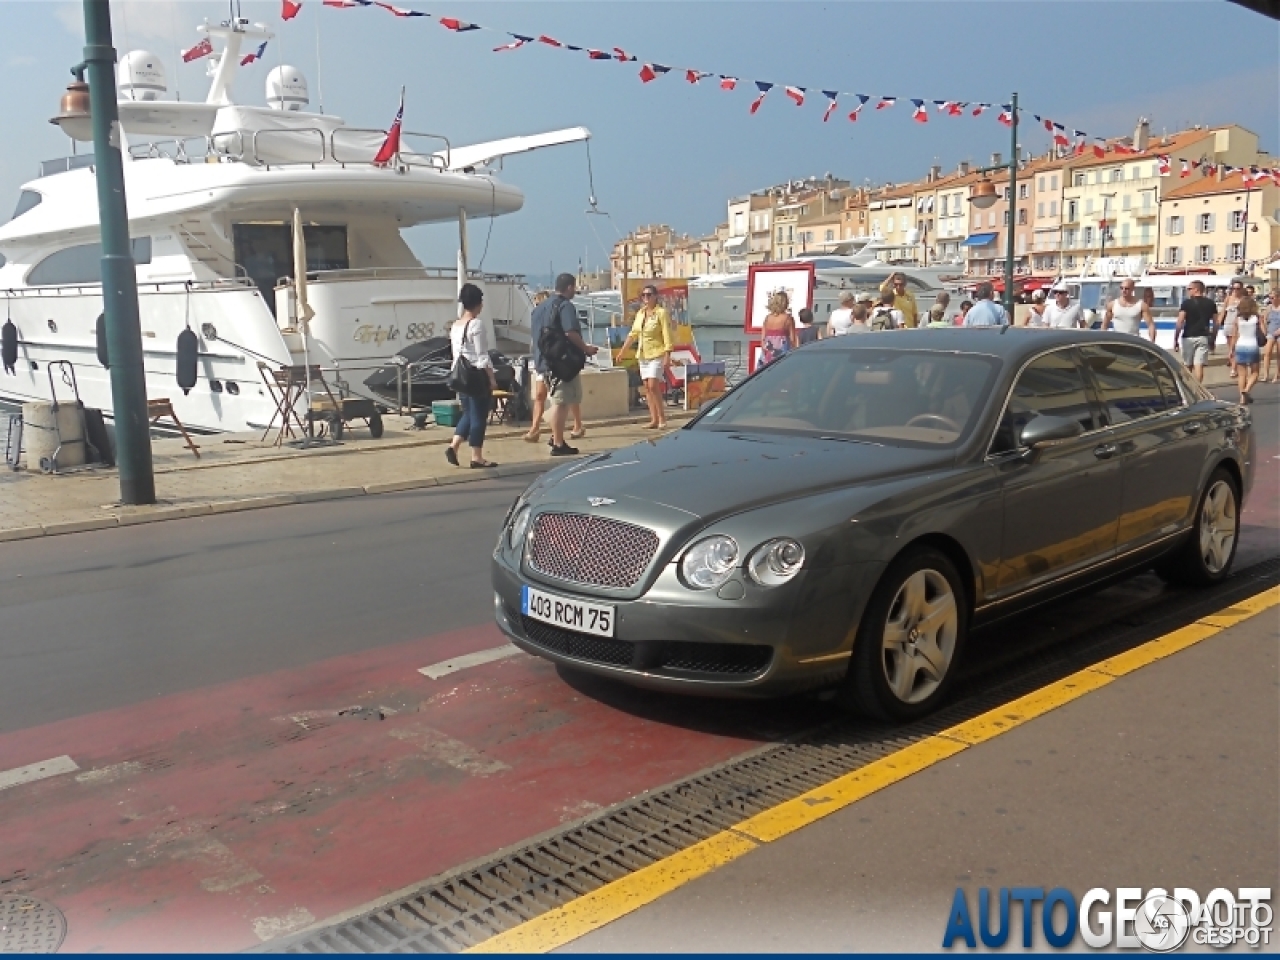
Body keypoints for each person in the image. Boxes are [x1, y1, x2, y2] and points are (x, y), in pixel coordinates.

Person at [530, 272, 598, 456]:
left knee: (559, 401)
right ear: (569, 287)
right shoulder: (565, 306)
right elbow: (570, 332)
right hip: (560, 363)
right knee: (561, 403)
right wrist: (586, 348)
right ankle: (558, 443)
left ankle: (554, 435)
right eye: (574, 287)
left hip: (542, 362)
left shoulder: (538, 309)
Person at [445, 283, 499, 469]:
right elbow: (482, 356)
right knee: (479, 416)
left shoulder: (455, 325)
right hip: (475, 375)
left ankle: (454, 446)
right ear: (477, 303)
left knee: (468, 413)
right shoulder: (476, 324)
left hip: (460, 375)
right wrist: (491, 378)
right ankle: (477, 456)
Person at [617, 284, 673, 430]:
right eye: (644, 295)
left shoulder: (661, 313)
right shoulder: (640, 313)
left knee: (654, 385)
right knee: (647, 388)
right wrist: (623, 351)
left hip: (657, 353)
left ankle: (662, 418)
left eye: (649, 295)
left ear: (655, 296)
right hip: (643, 354)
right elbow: (633, 333)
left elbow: (667, 334)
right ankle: (653, 419)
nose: (646, 298)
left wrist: (668, 354)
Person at [1174, 279, 1220, 383]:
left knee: (1188, 365)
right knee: (1199, 365)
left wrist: (1175, 339)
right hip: (1203, 336)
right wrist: (1213, 339)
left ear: (1196, 289)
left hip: (1188, 336)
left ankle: (1190, 388)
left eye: (1189, 289)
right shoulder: (1210, 303)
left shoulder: (1186, 303)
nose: (1188, 291)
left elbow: (1180, 322)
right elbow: (1216, 323)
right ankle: (1198, 389)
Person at [523, 290, 551, 443]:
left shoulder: (548, 317)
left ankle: (576, 424)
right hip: (541, 362)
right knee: (540, 396)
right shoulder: (536, 317)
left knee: (560, 400)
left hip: (550, 362)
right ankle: (534, 429)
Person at [1229, 296, 1261, 404]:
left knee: (1242, 374)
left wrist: (1231, 350)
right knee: (1255, 372)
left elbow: (1234, 336)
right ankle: (1246, 391)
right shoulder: (1257, 317)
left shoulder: (1237, 318)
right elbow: (1264, 332)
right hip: (1253, 345)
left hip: (1240, 345)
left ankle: (1242, 398)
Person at [760, 291, 797, 365]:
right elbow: (793, 339)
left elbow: (763, 338)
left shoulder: (767, 318)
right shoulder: (788, 318)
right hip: (782, 348)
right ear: (785, 303)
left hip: (768, 349)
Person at [1222, 280, 1246, 378]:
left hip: (1238, 326)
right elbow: (1223, 312)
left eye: (1237, 288)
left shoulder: (1244, 299)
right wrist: (1217, 323)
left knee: (1235, 347)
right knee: (1230, 348)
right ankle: (1233, 366)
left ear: (1241, 289)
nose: (1235, 290)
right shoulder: (1228, 299)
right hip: (1228, 324)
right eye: (1233, 288)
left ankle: (1233, 368)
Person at [1261, 296, 1280, 383]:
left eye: (1273, 297)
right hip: (1271, 331)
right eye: (1270, 298)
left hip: (1279, 331)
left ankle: (1277, 374)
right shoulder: (1269, 308)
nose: (1271, 299)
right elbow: (1263, 318)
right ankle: (1266, 375)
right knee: (1267, 353)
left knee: (1278, 355)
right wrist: (1265, 328)